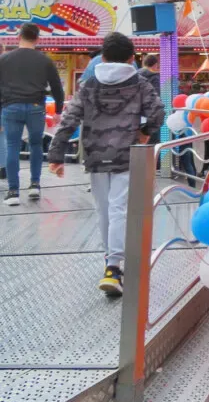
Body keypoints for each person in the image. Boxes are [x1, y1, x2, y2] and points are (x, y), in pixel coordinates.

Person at [47, 32, 165, 295]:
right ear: (132, 58)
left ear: (102, 57)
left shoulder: (88, 84)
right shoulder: (139, 84)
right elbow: (158, 111)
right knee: (119, 208)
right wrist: (145, 133)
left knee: (103, 210)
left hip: (95, 155)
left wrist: (56, 155)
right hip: (127, 154)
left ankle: (110, 263)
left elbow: (69, 119)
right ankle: (114, 266)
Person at [0, 23, 65, 205]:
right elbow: (57, 88)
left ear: (18, 36)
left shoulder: (4, 59)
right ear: (37, 39)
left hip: (11, 107)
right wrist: (59, 110)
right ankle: (35, 185)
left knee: (12, 145)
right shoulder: (44, 60)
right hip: (36, 106)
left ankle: (13, 192)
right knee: (36, 144)